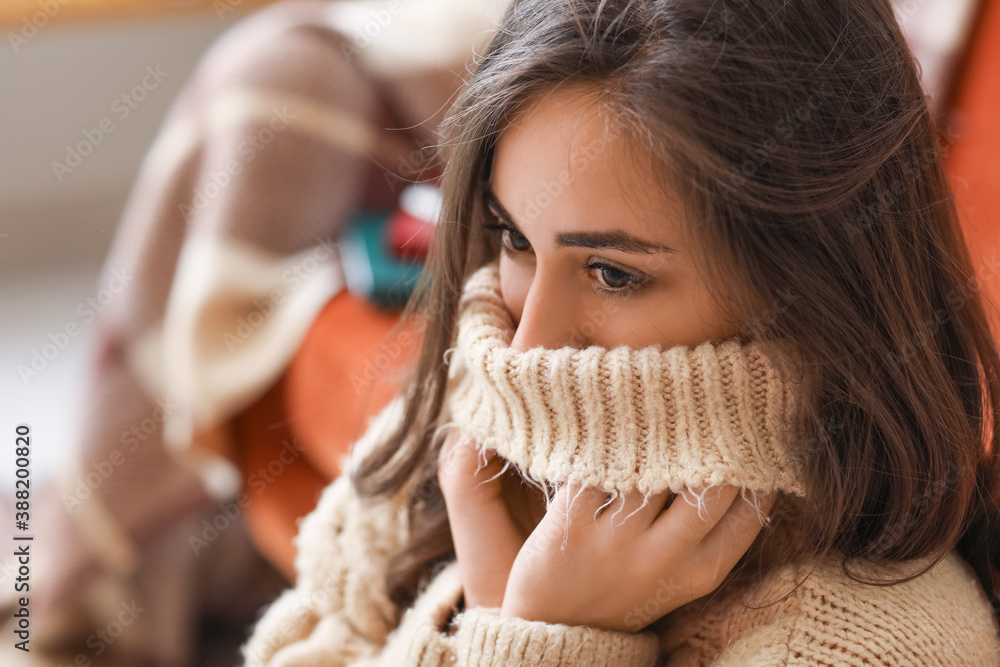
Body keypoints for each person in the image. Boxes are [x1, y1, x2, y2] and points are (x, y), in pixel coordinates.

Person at [241, 0, 1000, 664]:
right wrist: (485, 598)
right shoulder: (455, 448)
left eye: (613, 273)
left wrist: (545, 638)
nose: (526, 346)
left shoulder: (871, 645)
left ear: (809, 287)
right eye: (515, 241)